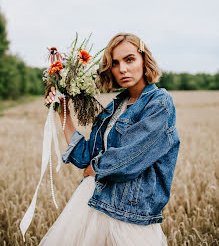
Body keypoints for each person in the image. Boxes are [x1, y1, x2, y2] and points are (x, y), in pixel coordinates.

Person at [39, 32, 180, 246]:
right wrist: (63, 111)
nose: (122, 68)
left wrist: (96, 169)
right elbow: (86, 157)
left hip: (129, 214)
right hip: (93, 201)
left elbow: (131, 157)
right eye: (115, 63)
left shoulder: (159, 103)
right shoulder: (115, 107)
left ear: (144, 60)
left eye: (129, 59)